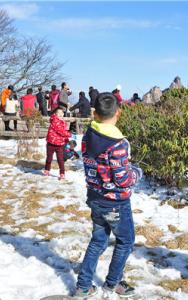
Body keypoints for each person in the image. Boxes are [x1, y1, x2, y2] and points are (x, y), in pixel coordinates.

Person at [75, 92, 142, 298]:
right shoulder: (117, 143)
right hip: (115, 202)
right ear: (118, 113)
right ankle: (113, 283)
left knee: (98, 241)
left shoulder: (88, 136)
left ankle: (83, 286)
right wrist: (137, 173)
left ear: (94, 113)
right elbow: (122, 179)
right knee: (126, 241)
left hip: (95, 196)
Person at [43, 107, 71, 180]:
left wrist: (66, 140)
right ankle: (47, 170)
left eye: (62, 113)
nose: (60, 114)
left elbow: (63, 132)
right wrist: (69, 134)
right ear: (55, 114)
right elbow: (61, 131)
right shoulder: (55, 120)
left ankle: (62, 173)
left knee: (60, 159)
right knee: (49, 158)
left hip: (59, 144)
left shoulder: (62, 122)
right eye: (58, 113)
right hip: (51, 143)